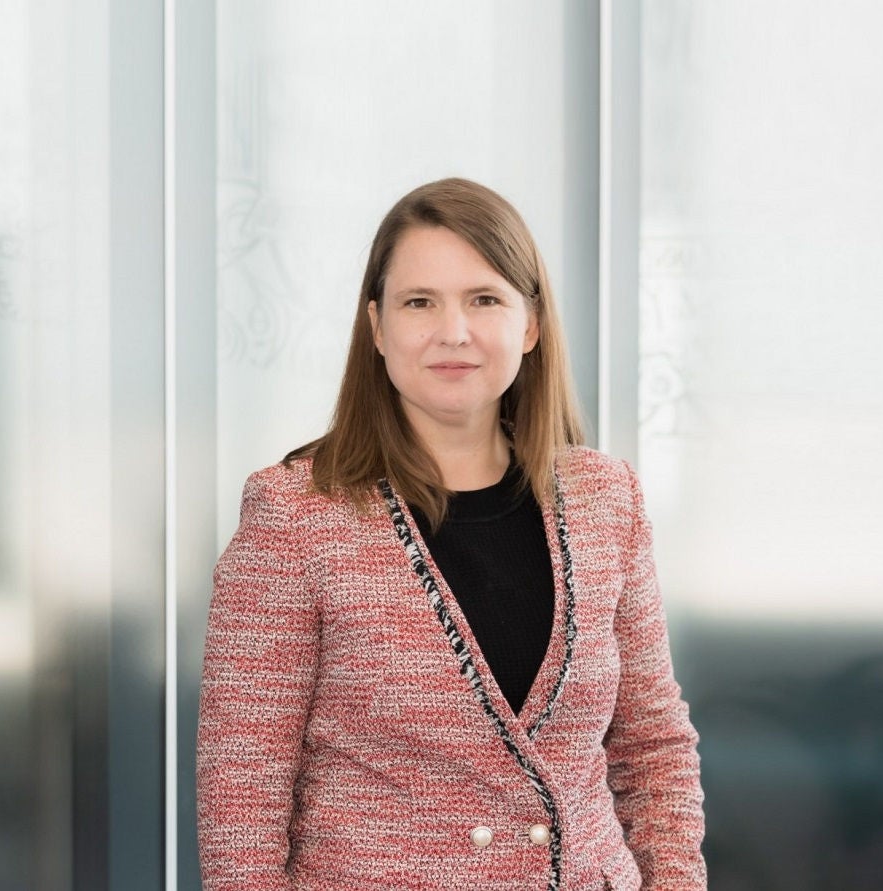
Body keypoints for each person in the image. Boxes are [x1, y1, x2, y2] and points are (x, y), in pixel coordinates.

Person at [197, 178, 705, 891]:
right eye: (419, 302)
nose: (453, 331)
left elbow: (653, 746)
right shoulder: (296, 515)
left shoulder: (605, 498)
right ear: (377, 327)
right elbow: (241, 796)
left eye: (484, 299)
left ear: (530, 326)